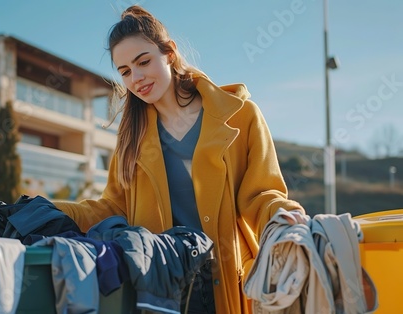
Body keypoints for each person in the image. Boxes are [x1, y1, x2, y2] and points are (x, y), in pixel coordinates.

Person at [53, 5, 305, 313]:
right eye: (125, 72)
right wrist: (44, 211)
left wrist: (285, 213)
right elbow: (112, 208)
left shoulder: (240, 116)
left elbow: (261, 194)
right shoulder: (131, 137)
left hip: (227, 280)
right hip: (162, 285)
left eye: (143, 62)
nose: (137, 78)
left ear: (169, 53)